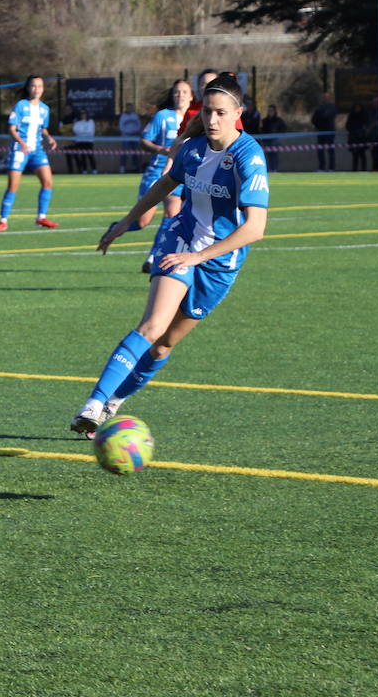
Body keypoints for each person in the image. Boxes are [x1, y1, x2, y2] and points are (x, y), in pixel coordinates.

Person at [70, 73, 268, 434]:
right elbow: (165, 184)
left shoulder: (248, 156)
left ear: (238, 113)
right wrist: (127, 221)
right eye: (207, 112)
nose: (212, 120)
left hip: (219, 262)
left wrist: (199, 258)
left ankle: (114, 402)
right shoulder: (192, 148)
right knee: (152, 326)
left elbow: (255, 228)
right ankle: (93, 404)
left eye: (222, 113)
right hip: (180, 240)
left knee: (163, 346)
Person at [128, 79, 191, 272]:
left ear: (191, 96)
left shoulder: (196, 119)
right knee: (142, 221)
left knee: (172, 215)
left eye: (184, 92)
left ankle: (152, 258)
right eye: (177, 92)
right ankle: (118, 227)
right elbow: (144, 141)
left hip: (178, 176)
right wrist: (162, 150)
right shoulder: (162, 116)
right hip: (156, 172)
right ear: (172, 95)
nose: (180, 95)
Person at [0, 75, 60, 231]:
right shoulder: (20, 106)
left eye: (40, 86)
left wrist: (49, 138)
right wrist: (21, 143)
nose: (37, 89)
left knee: (48, 182)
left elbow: (43, 128)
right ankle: (3, 220)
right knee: (13, 186)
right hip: (20, 150)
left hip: (37, 151)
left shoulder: (45, 109)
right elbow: (11, 129)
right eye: (33, 86)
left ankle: (41, 218)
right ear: (28, 88)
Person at [311, 92, 338, 171]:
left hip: (329, 132)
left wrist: (321, 117)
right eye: (324, 97)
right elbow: (314, 119)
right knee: (320, 150)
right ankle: (321, 168)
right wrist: (318, 125)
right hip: (320, 131)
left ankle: (331, 168)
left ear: (330, 98)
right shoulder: (319, 107)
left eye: (327, 97)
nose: (325, 98)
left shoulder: (333, 107)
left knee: (330, 150)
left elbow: (326, 116)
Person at [259, 104, 288, 173]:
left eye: (271, 110)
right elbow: (261, 130)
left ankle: (274, 169)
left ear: (275, 111)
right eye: (269, 110)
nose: (270, 112)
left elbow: (284, 128)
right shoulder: (264, 121)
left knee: (274, 156)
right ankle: (268, 170)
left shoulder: (279, 120)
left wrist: (278, 134)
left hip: (275, 141)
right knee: (267, 156)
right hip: (266, 141)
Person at [117, 103, 143, 174]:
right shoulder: (123, 116)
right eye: (128, 108)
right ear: (126, 108)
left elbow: (139, 126)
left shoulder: (135, 116)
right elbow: (121, 127)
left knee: (135, 153)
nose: (130, 109)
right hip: (126, 137)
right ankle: (122, 168)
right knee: (124, 153)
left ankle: (135, 168)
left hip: (135, 137)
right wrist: (128, 133)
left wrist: (135, 132)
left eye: (131, 107)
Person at [71, 109, 97, 174]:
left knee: (90, 156)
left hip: (89, 141)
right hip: (80, 141)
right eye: (82, 114)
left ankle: (94, 170)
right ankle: (84, 170)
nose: (83, 115)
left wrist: (82, 132)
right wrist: (84, 132)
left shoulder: (91, 121)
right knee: (82, 156)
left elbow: (90, 131)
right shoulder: (77, 122)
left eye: (84, 114)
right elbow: (75, 130)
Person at [346, 101, 370, 171]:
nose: (357, 109)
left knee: (362, 154)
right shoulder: (351, 115)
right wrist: (352, 130)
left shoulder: (364, 115)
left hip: (362, 137)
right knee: (355, 154)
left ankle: (364, 169)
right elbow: (347, 125)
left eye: (359, 107)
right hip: (353, 137)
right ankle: (354, 170)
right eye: (356, 107)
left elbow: (367, 125)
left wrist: (363, 130)